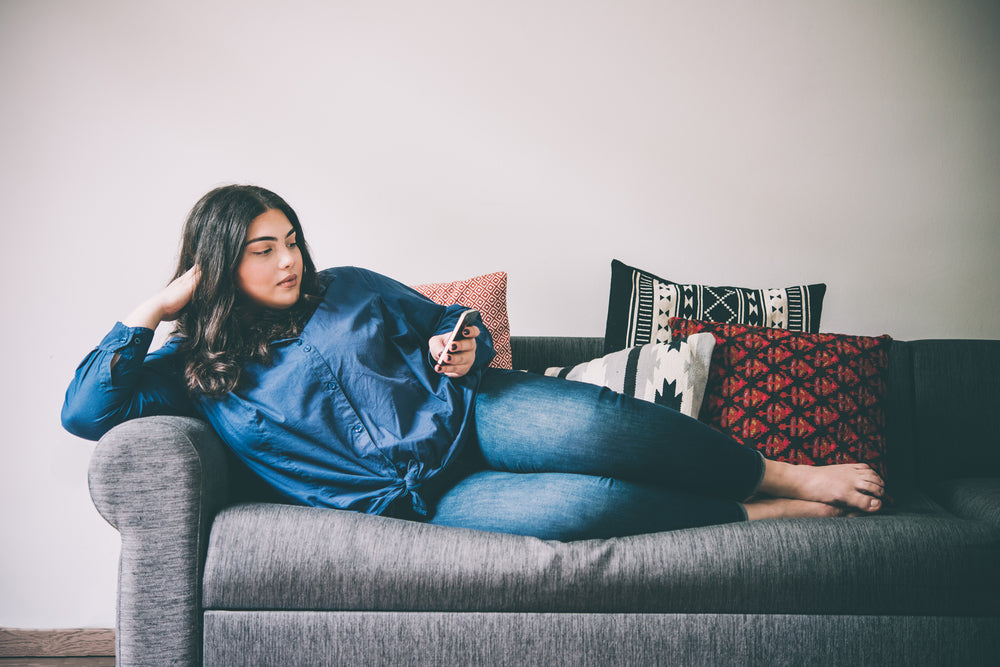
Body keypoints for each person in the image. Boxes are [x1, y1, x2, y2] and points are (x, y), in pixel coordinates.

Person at [62, 185, 885, 541]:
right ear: (213, 263)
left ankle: (782, 474)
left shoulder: (346, 289)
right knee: (578, 512)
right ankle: (749, 517)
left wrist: (461, 344)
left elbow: (448, 319)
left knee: (603, 429)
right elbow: (84, 413)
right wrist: (155, 310)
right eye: (261, 249)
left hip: (476, 409)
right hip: (426, 494)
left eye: (291, 240)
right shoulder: (194, 369)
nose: (288, 260)